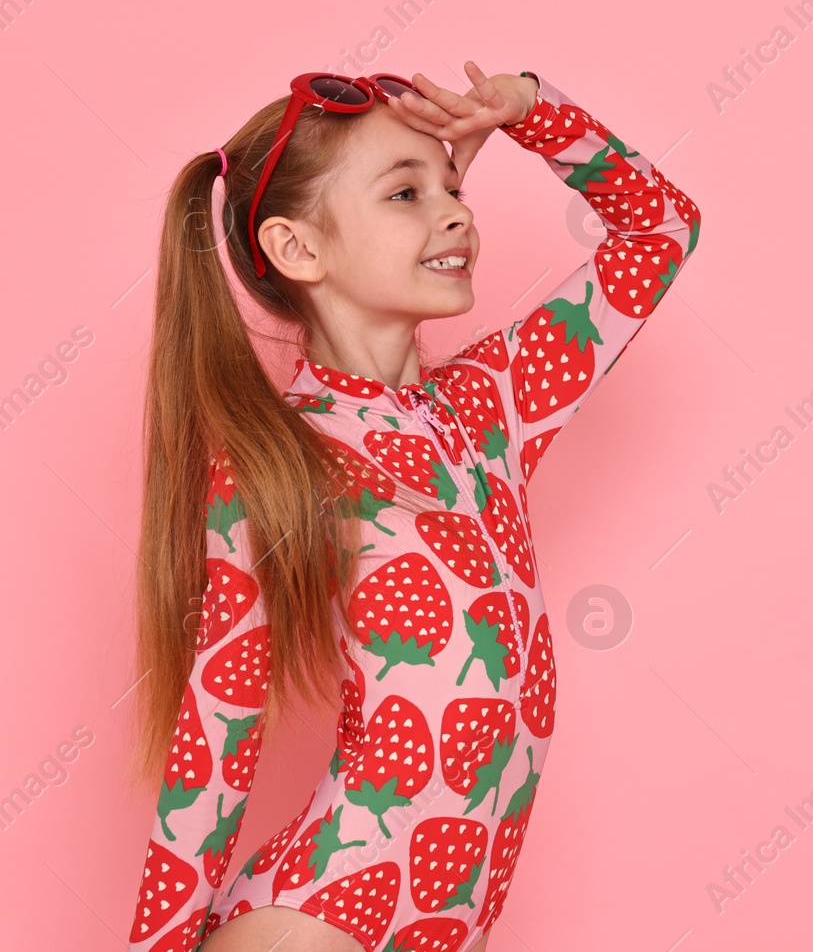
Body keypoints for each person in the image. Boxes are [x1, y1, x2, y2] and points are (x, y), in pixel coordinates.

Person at [126, 62, 701, 951]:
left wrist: (533, 113)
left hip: (451, 922)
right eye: (405, 192)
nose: (456, 212)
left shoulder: (493, 405)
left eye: (453, 185)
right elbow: (213, 744)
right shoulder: (275, 463)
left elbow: (662, 229)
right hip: (321, 917)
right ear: (299, 250)